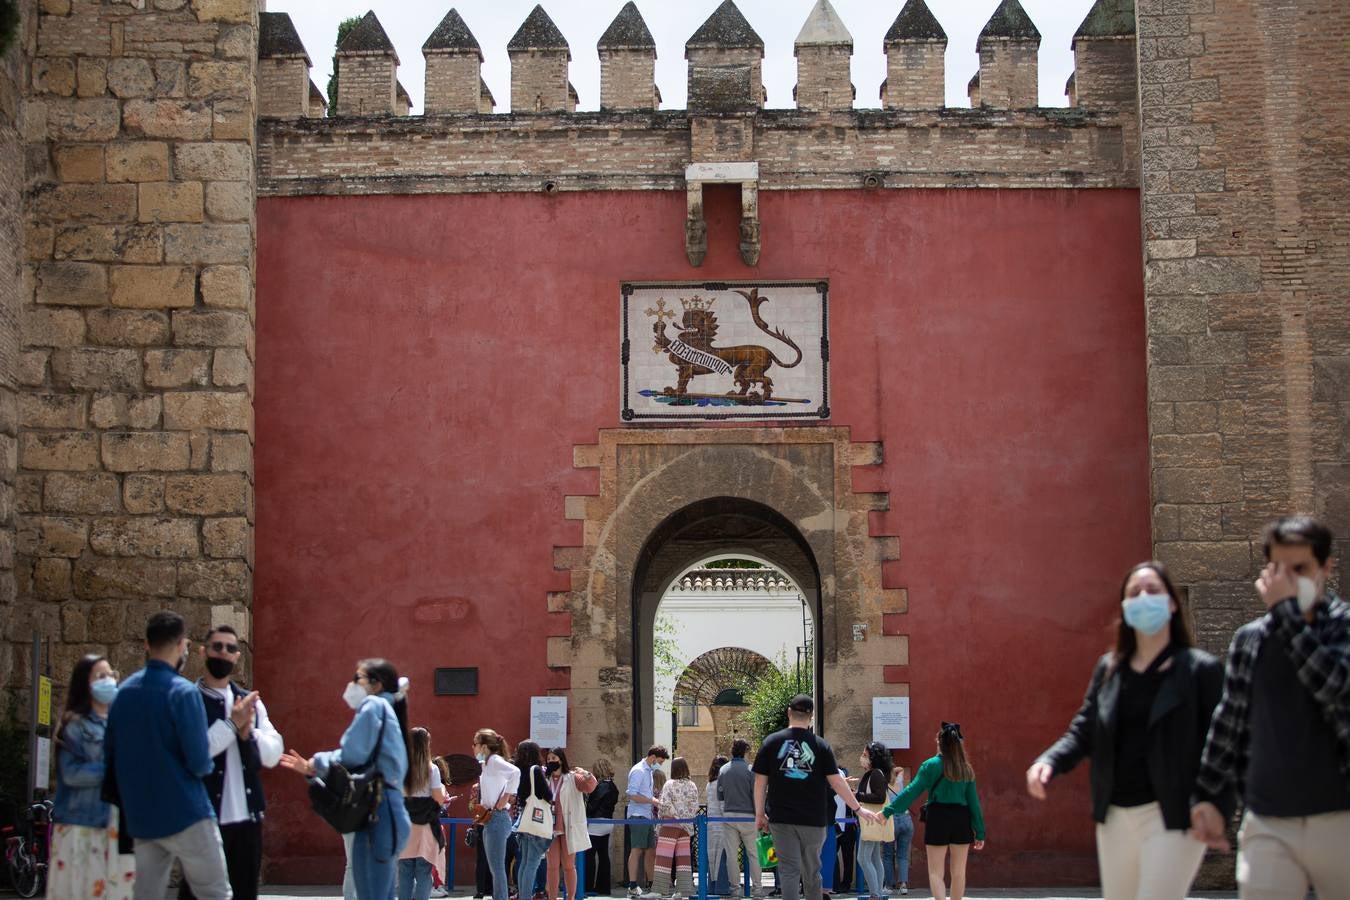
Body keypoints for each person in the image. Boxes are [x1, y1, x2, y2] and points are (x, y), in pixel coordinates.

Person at [1025, 561, 1224, 900]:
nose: (1144, 597)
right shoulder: (1110, 669)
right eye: (1135, 593)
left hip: (1172, 814)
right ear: (1124, 607)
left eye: (1153, 591)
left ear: (1172, 603)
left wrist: (1214, 802)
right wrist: (1050, 761)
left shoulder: (1200, 670)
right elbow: (1085, 728)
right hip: (1115, 815)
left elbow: (1222, 743)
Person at [1189, 516, 1350, 899]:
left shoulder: (1343, 628)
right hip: (1268, 819)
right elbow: (1229, 719)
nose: (1289, 579)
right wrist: (1207, 797)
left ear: (1326, 567)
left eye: (1301, 569)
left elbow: (1335, 687)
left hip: (1341, 818)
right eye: (1279, 568)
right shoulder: (1251, 640)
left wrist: (1288, 617)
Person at [106, 611, 231, 900]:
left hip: (142, 815)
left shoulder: (122, 694)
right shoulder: (183, 693)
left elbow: (110, 754)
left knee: (146, 894)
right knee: (215, 893)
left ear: (147, 645)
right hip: (187, 811)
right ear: (181, 645)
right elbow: (199, 761)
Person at [280, 659, 412, 900]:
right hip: (388, 812)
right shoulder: (389, 708)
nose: (352, 684)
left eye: (357, 678)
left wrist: (316, 762)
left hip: (377, 814)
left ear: (376, 684)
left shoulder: (372, 705)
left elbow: (352, 753)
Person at [180, 624, 284, 900]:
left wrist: (248, 733)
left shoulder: (250, 703)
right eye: (217, 647)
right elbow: (195, 751)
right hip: (204, 818)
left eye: (231, 648)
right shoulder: (189, 700)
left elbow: (274, 752)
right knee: (196, 892)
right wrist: (230, 725)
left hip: (246, 818)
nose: (224, 653)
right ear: (203, 652)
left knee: (244, 892)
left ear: (238, 656)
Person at [751, 695, 878, 900]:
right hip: (813, 819)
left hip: (781, 818)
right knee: (812, 871)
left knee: (789, 871)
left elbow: (759, 782)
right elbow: (837, 782)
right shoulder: (821, 746)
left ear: (788, 713)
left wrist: (759, 813)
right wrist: (857, 808)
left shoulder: (771, 743)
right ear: (811, 716)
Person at [50, 654, 135, 900]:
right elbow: (72, 774)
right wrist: (113, 769)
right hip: (82, 824)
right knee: (82, 891)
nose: (108, 681)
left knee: (119, 891)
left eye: (111, 675)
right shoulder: (74, 725)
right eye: (100, 676)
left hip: (119, 823)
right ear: (84, 684)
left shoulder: (121, 723)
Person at [881, 724, 984, 900]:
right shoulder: (966, 769)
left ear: (940, 742)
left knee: (936, 872)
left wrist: (888, 810)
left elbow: (911, 791)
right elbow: (974, 803)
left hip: (938, 818)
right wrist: (980, 832)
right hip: (961, 818)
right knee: (959, 872)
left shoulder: (930, 765)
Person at [399, 728, 448, 900]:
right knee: (424, 873)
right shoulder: (431, 769)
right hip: (425, 825)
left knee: (404, 873)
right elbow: (438, 798)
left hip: (404, 825)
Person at [543, 748, 597, 900]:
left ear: (560, 759)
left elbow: (591, 786)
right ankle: (552, 897)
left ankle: (570, 897)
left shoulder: (573, 778)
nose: (550, 761)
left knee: (568, 866)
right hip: (550, 827)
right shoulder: (544, 779)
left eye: (553, 758)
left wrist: (586, 773)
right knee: (552, 866)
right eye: (548, 759)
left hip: (568, 827)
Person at [473, 729, 520, 900]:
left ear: (484, 746)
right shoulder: (486, 763)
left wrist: (506, 796)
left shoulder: (493, 760)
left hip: (497, 819)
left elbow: (516, 772)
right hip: (490, 819)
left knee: (497, 868)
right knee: (495, 868)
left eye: (475, 743)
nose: (473, 747)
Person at [718, 740, 763, 900]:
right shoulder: (750, 770)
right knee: (753, 854)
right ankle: (757, 889)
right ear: (745, 752)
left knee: (731, 855)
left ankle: (735, 890)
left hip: (729, 816)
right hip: (749, 817)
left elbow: (720, 796)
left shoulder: (723, 770)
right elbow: (756, 795)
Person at [650, 757, 699, 900]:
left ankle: (660, 890)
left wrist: (674, 815)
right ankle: (684, 890)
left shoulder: (669, 784)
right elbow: (694, 806)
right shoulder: (692, 785)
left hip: (670, 824)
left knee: (663, 857)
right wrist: (684, 818)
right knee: (683, 859)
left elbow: (664, 804)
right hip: (686, 825)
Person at [626, 745, 669, 899]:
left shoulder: (648, 770)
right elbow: (632, 794)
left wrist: (652, 802)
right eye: (660, 761)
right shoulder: (638, 770)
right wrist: (653, 801)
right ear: (653, 757)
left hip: (647, 815)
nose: (660, 764)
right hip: (638, 815)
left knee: (651, 850)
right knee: (637, 849)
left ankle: (651, 885)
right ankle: (632, 885)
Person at [512, 741, 553, 900]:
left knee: (524, 863)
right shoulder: (535, 770)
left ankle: (523, 895)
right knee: (533, 863)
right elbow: (547, 794)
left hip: (524, 820)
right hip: (536, 822)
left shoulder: (518, 771)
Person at [854, 744, 892, 900]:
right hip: (875, 820)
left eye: (865, 754)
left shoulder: (875, 774)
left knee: (863, 858)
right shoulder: (876, 773)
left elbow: (879, 797)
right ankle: (878, 892)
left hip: (872, 820)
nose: (862, 756)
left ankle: (875, 894)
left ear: (873, 757)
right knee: (875, 857)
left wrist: (858, 795)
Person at [585, 758, 620, 896]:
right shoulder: (613, 786)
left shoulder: (600, 787)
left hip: (596, 823)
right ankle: (603, 887)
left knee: (589, 855)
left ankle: (587, 886)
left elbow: (592, 807)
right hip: (608, 822)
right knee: (603, 855)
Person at [881, 765, 912, 896]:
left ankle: (889, 885)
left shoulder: (883, 786)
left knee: (888, 855)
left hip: (891, 821)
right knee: (903, 855)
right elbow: (901, 769)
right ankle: (903, 885)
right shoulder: (900, 782)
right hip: (906, 819)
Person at [704, 755, 729, 896]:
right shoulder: (722, 784)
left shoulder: (709, 784)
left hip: (710, 823)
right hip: (721, 823)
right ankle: (722, 887)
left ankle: (712, 887)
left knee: (712, 857)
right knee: (722, 856)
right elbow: (722, 805)